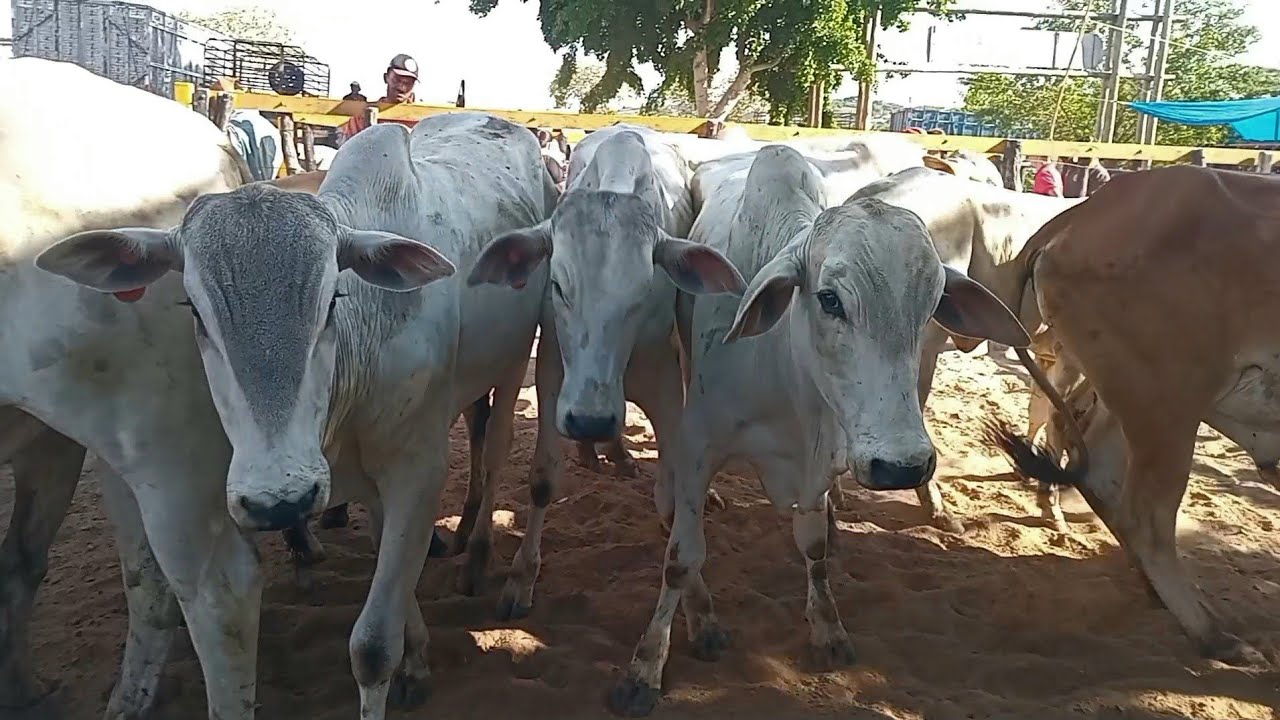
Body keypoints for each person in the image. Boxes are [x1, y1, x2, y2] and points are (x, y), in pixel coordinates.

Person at [337, 53, 421, 145]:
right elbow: (347, 149)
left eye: (408, 83)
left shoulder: (421, 119)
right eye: (397, 80)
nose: (401, 87)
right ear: (386, 78)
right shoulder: (362, 116)